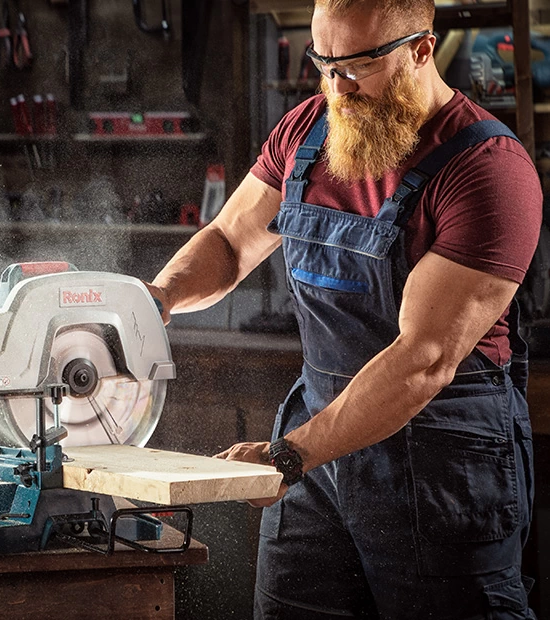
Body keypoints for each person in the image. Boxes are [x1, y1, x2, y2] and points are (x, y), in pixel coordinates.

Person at [145, 0, 542, 617]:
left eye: (356, 66)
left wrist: (288, 453)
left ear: (420, 50)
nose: (335, 87)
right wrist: (154, 300)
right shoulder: (306, 132)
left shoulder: (486, 169)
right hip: (315, 461)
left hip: (441, 464)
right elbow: (229, 241)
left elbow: (424, 358)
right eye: (322, 62)